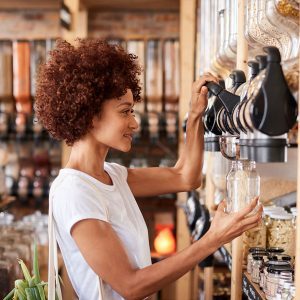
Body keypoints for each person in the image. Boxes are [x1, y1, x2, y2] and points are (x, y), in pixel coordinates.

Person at [35, 39, 262, 300]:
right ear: (89, 115)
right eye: (125, 112)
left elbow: (185, 177)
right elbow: (131, 286)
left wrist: (195, 114)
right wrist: (213, 239)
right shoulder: (75, 192)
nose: (134, 123)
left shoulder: (112, 176)